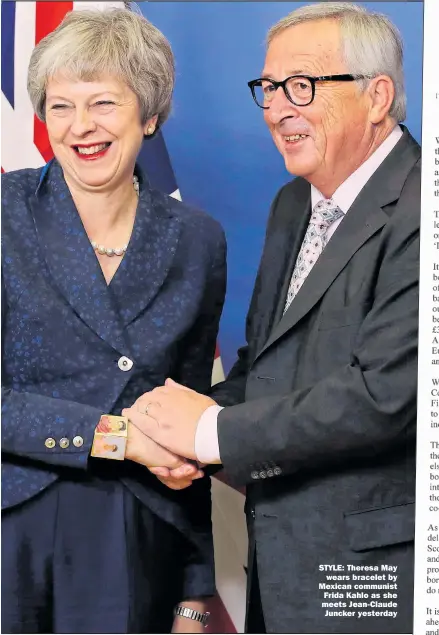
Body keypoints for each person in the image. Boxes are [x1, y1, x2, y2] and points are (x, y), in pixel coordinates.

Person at [124, 3, 419, 633]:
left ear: (377, 96)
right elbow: (265, 368)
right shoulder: (294, 202)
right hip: (282, 572)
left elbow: (387, 397)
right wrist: (177, 432)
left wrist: (209, 434)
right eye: (268, 88)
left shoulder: (426, 205)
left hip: (374, 582)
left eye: (302, 86)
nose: (277, 108)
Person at [1, 8, 226, 634]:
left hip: (139, 543)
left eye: (102, 102)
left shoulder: (197, 240)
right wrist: (115, 435)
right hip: (11, 535)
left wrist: (192, 595)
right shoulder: (4, 212)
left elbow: (191, 419)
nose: (80, 127)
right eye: (61, 106)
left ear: (148, 115)